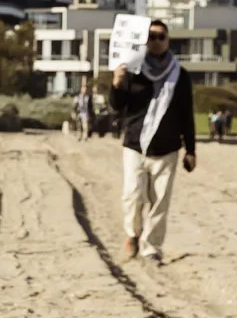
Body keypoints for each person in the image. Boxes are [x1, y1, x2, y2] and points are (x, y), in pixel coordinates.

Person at [109, 18, 196, 265]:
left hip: (167, 148)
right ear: (144, 41)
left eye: (161, 37)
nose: (156, 41)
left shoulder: (180, 76)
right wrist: (116, 82)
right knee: (132, 195)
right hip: (135, 145)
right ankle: (132, 233)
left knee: (160, 202)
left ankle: (152, 247)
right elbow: (117, 106)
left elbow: (186, 113)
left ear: (168, 41)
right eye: (151, 37)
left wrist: (191, 149)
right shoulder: (131, 70)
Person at [75, 76, 96, 142]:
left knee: (85, 126)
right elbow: (75, 105)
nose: (84, 90)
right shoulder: (78, 97)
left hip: (86, 113)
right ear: (81, 89)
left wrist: (91, 113)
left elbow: (90, 106)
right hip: (79, 113)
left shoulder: (88, 97)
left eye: (85, 89)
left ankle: (85, 137)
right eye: (83, 89)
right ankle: (79, 136)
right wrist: (75, 112)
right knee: (79, 126)